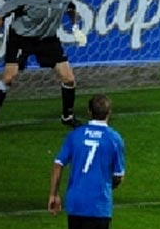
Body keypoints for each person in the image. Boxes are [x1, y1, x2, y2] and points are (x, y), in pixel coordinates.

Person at [0, 0, 88, 134]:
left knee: (68, 78)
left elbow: (71, 10)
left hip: (47, 39)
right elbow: (2, 13)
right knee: (9, 78)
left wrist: (76, 29)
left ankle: (67, 116)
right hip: (21, 39)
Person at [48, 94, 126, 229]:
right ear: (109, 113)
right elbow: (118, 176)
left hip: (75, 203)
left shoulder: (75, 135)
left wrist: (53, 195)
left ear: (89, 112)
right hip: (99, 205)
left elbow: (58, 165)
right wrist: (106, 186)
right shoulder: (114, 139)